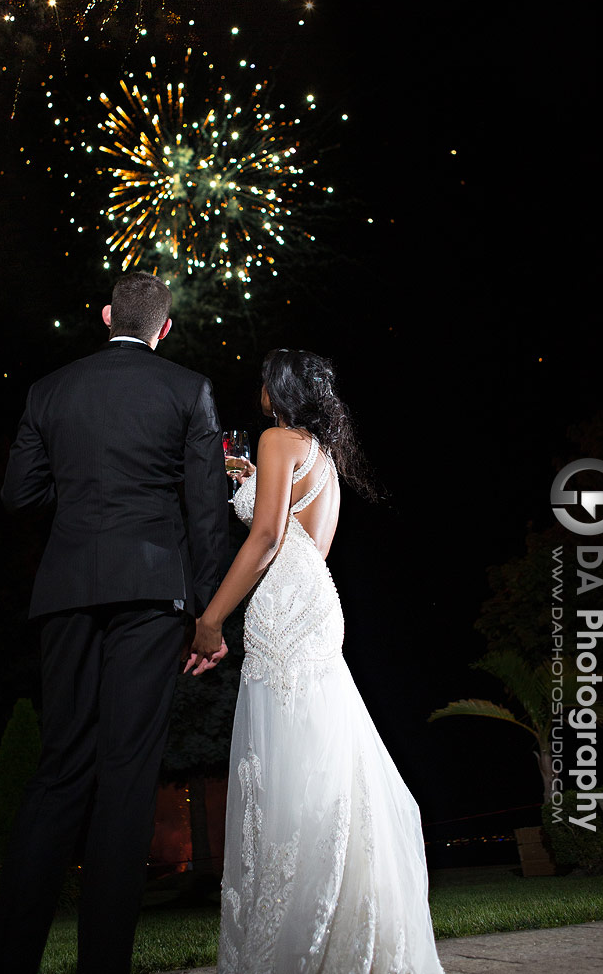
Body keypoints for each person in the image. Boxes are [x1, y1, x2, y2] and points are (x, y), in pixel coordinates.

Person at [0, 271, 230, 974]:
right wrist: (208, 616)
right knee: (126, 774)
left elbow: (18, 495)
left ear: (103, 316)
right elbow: (206, 513)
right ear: (165, 328)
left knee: (60, 768)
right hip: (152, 592)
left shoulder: (49, 390)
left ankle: (10, 963)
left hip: (65, 590)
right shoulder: (187, 390)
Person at [187, 348, 446, 974]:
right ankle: (336, 924)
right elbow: (308, 542)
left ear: (279, 390)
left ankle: (298, 935)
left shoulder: (278, 438)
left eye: (263, 384)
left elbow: (270, 536)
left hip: (284, 607)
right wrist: (249, 477)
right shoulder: (321, 454)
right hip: (315, 604)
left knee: (285, 765)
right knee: (319, 758)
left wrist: (211, 618)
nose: (258, 393)